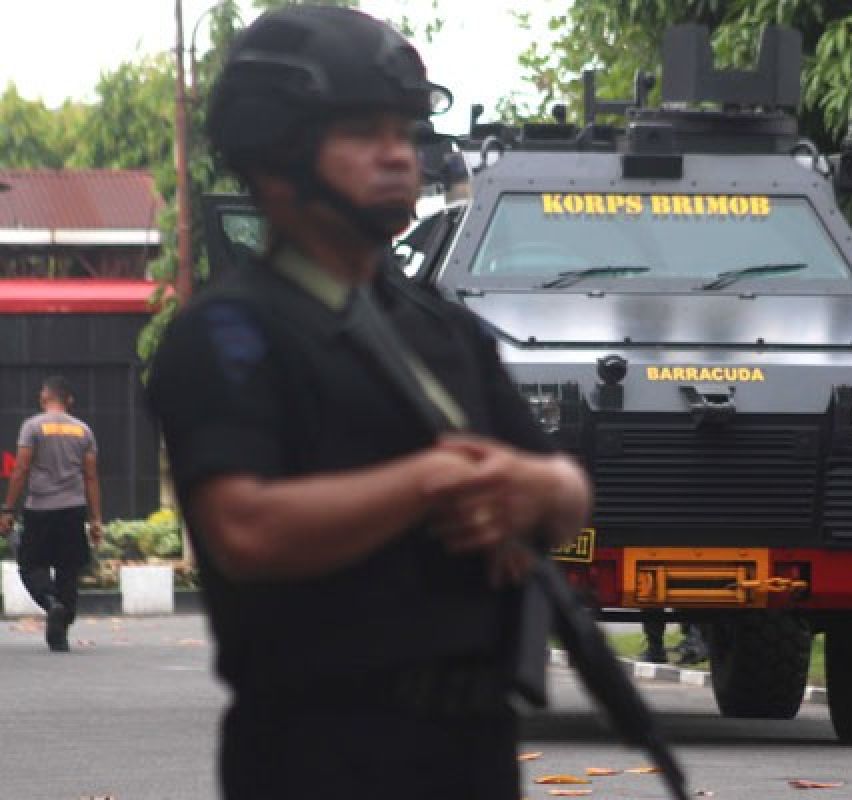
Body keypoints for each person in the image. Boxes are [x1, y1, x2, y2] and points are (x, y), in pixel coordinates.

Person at [144, 7, 591, 799]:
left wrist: (542, 491)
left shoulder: (441, 328)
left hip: (475, 751)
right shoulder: (229, 332)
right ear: (276, 157)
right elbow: (244, 528)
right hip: (319, 754)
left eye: (404, 130)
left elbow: (565, 488)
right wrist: (427, 484)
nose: (398, 155)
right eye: (361, 132)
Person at [0, 376, 103, 652]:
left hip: (40, 509)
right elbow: (91, 477)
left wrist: (8, 509)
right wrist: (95, 519)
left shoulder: (33, 427)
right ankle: (60, 634)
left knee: (31, 565)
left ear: (43, 398)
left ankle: (50, 603)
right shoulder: (83, 431)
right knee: (68, 569)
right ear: (69, 400)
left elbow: (20, 470)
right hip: (73, 509)